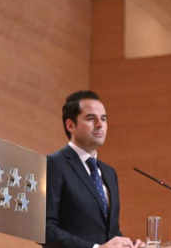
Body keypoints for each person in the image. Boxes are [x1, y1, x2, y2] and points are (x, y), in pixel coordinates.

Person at [45, 91, 143, 248]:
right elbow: (45, 230)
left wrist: (129, 245)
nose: (100, 124)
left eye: (103, 119)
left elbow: (110, 232)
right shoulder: (54, 164)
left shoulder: (109, 173)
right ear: (70, 125)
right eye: (91, 118)